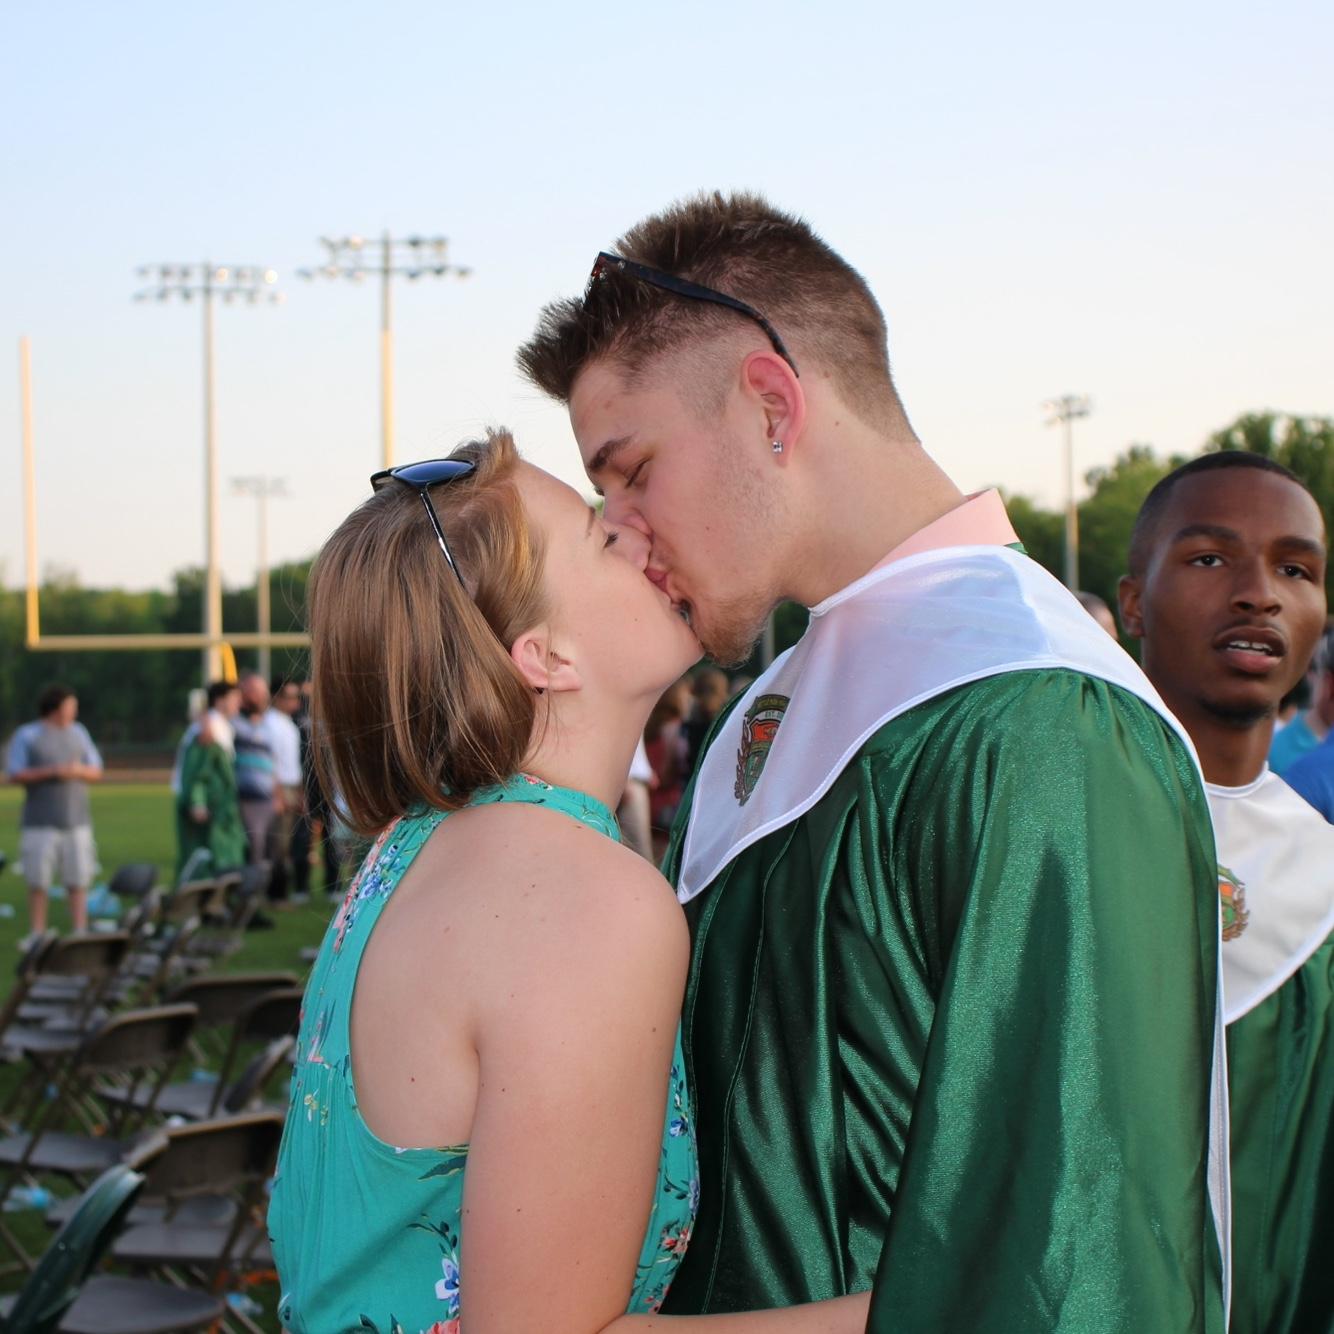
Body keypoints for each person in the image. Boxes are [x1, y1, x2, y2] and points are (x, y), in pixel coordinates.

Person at [518, 191, 1228, 1329]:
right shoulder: (774, 702)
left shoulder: (1035, 711)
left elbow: (1077, 1269)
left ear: (768, 405)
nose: (626, 527)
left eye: (632, 469)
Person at [269, 431, 870, 1333]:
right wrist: (936, 1299)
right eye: (599, 536)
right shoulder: (580, 900)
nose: (636, 530)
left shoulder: (421, 848)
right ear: (542, 655)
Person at [1118, 451, 1334, 1334]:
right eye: (1210, 558)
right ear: (1133, 603)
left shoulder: (1319, 874)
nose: (1260, 593)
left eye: (1297, 569)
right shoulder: (1049, 834)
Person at [4, 684, 102, 941]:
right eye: (70, 706)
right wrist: (55, 771)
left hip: (76, 820)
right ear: (55, 708)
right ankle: (38, 933)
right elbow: (14, 773)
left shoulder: (79, 733)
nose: (74, 712)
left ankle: (80, 931)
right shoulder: (28, 735)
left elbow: (96, 769)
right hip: (40, 822)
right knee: (38, 881)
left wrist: (78, 771)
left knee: (78, 880)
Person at [175, 679, 247, 880]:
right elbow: (198, 771)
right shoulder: (210, 728)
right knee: (204, 859)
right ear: (219, 700)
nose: (239, 704)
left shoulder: (218, 725)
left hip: (213, 803)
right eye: (235, 699)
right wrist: (198, 802)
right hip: (203, 804)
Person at [264, 677, 306, 901]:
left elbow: (292, 763)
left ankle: (281, 892)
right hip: (279, 788)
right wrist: (278, 793)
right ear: (276, 698)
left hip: (292, 786)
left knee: (289, 842)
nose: (295, 703)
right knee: (279, 844)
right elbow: (271, 763)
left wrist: (300, 791)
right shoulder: (269, 723)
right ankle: (275, 895)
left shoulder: (288, 723)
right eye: (289, 697)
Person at [232, 672, 279, 870]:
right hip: (245, 797)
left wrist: (277, 794)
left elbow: (273, 762)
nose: (258, 696)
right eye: (253, 691)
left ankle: (259, 889)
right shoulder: (233, 722)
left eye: (261, 691)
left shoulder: (270, 723)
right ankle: (247, 892)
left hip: (267, 798)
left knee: (269, 849)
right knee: (252, 846)